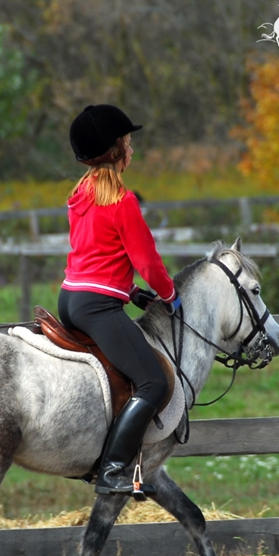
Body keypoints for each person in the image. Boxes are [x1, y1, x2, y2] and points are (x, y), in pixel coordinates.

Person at [59, 104, 181, 495]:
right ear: (115, 152)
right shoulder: (123, 201)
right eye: (128, 143)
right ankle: (113, 471)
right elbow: (147, 259)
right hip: (96, 307)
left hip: (71, 298)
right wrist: (169, 295)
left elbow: (92, 254)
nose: (132, 150)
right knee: (153, 383)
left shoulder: (79, 195)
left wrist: (129, 292)